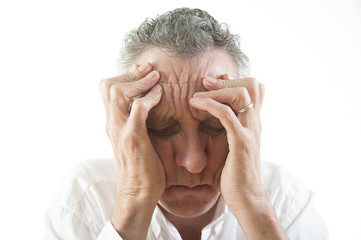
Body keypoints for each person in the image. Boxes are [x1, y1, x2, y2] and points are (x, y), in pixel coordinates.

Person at [44, 8, 329, 240]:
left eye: (216, 126)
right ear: (125, 128)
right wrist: (133, 203)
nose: (193, 162)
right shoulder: (83, 199)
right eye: (161, 130)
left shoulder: (287, 201)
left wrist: (254, 206)